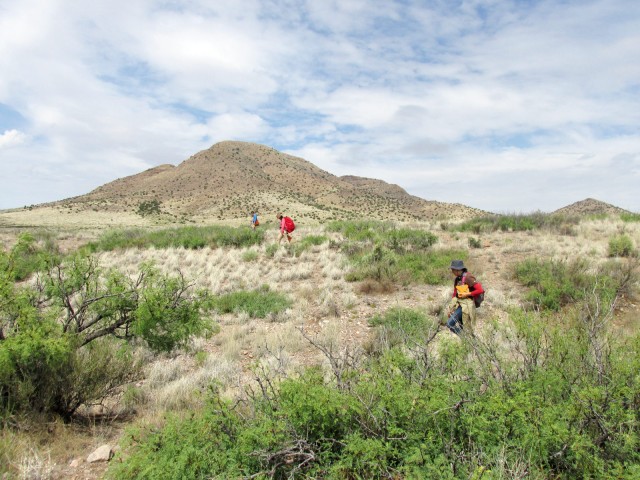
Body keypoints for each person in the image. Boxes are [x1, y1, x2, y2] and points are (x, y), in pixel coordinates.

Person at [446, 260, 484, 335]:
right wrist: (451, 308)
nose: (452, 271)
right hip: (460, 305)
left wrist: (467, 294)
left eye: (452, 270)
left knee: (449, 323)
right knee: (462, 327)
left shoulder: (468, 277)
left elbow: (480, 290)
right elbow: (455, 293)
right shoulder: (457, 279)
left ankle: (466, 337)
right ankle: (468, 341)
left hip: (467, 306)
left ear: (457, 270)